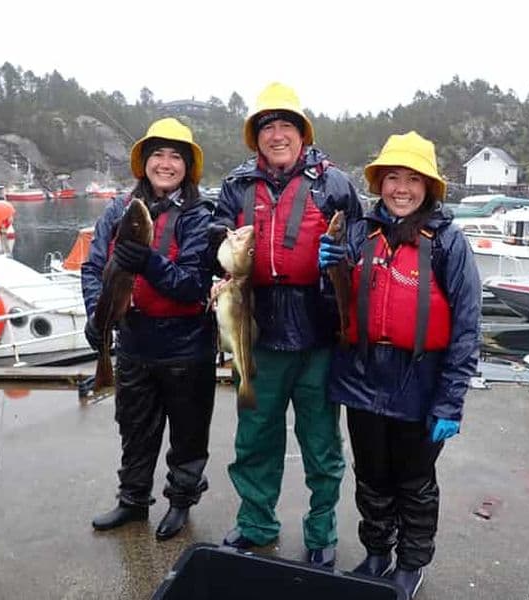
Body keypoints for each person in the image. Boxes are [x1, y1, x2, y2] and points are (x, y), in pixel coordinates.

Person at [319, 131, 481, 598]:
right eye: (393, 178)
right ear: (379, 183)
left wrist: (450, 402)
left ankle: (411, 563)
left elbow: (467, 329)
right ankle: (376, 552)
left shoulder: (449, 244)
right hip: (361, 376)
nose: (402, 188)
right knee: (371, 476)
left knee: (414, 481)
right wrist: (327, 272)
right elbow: (334, 305)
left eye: (413, 179)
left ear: (429, 187)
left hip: (420, 382)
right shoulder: (356, 232)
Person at [210, 82, 363, 568]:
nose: (277, 135)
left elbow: (361, 249)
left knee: (321, 441)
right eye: (267, 127)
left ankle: (321, 531)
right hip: (257, 327)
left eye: (286, 126)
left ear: (302, 133)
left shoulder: (334, 183)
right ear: (256, 137)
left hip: (319, 329)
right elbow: (214, 242)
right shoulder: (235, 186)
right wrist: (216, 278)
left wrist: (346, 255)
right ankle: (257, 523)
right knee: (255, 436)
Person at [82, 117, 216, 540]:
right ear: (144, 161)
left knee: (188, 433)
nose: (166, 163)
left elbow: (194, 285)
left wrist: (146, 261)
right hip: (134, 343)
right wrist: (95, 313)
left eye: (176, 156)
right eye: (158, 154)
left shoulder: (199, 216)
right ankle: (133, 501)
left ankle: (180, 501)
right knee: (135, 429)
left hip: (186, 347)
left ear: (188, 166)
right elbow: (92, 267)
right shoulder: (117, 210)